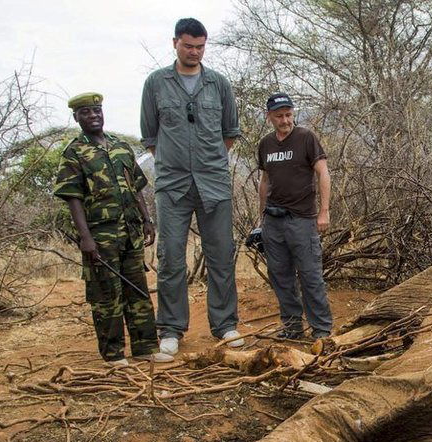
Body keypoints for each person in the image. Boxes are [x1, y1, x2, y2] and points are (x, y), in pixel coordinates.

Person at [140, 17, 244, 355]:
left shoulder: (219, 84)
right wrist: (178, 162)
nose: (195, 52)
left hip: (213, 183)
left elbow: (229, 134)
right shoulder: (155, 83)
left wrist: (205, 162)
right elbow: (151, 138)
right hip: (172, 186)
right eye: (188, 46)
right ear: (175, 44)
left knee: (221, 256)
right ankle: (170, 330)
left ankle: (225, 325)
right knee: (170, 257)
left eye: (200, 47)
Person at [53, 92, 173, 366]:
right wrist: (85, 238)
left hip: (130, 231)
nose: (93, 115)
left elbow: (136, 189)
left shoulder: (120, 147)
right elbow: (73, 197)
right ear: (76, 117)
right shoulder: (74, 153)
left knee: (137, 290)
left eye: (96, 110)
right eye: (86, 112)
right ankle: (113, 354)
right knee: (107, 294)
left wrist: (146, 220)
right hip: (100, 234)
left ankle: (145, 347)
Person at [256, 92, 333, 340]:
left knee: (310, 275)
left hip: (301, 218)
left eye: (288, 114)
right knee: (280, 276)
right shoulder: (266, 144)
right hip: (273, 221)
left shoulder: (306, 138)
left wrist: (324, 211)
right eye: (279, 116)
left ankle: (321, 329)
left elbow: (323, 173)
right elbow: (265, 180)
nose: (285, 120)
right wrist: (261, 218)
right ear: (269, 117)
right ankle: (292, 327)